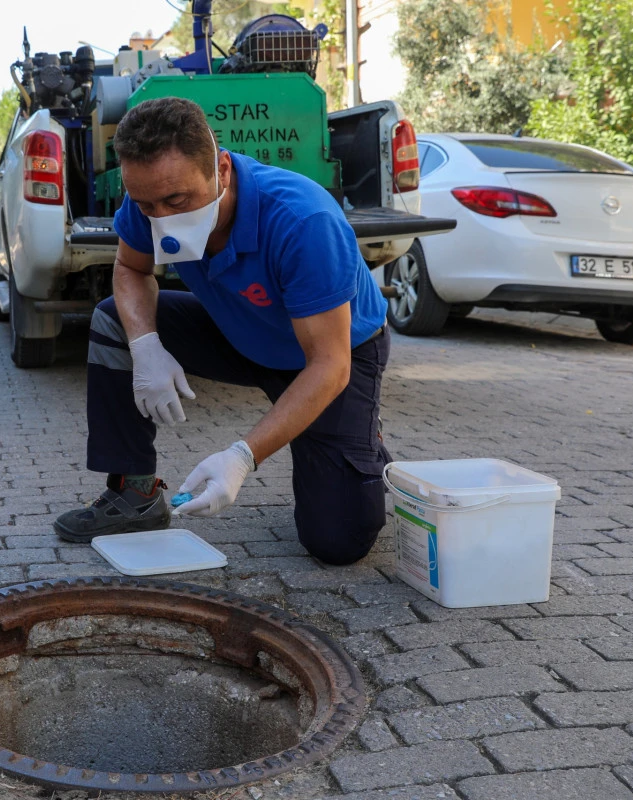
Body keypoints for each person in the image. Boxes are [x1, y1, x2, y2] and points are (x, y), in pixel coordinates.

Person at [53, 97, 391, 566]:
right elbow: (131, 269)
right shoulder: (148, 198)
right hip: (239, 329)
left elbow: (330, 366)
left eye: (177, 201)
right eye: (147, 205)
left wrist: (242, 456)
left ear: (223, 170)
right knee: (113, 320)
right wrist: (146, 347)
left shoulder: (303, 221)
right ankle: (135, 494)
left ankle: (361, 443)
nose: (161, 217)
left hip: (328, 357)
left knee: (338, 541)